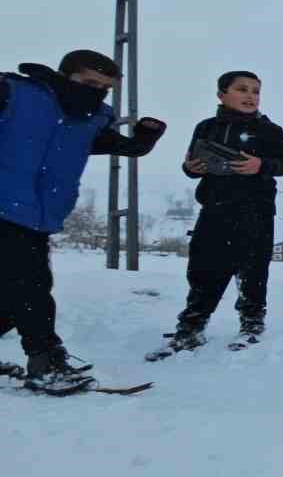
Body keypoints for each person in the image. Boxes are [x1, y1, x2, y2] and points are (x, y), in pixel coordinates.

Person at [0, 50, 166, 392]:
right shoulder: (15, 95)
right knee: (30, 288)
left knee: (13, 296)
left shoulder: (89, 121)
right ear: (64, 75)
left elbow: (123, 147)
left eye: (104, 88)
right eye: (89, 83)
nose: (96, 92)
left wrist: (143, 139)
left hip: (35, 217)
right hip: (4, 207)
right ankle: (46, 361)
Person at [147, 71, 283, 360]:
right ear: (221, 95)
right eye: (242, 89)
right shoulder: (206, 128)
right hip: (215, 209)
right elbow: (191, 163)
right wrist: (191, 168)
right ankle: (191, 329)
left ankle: (252, 325)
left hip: (256, 210)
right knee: (203, 270)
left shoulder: (269, 131)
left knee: (253, 270)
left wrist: (262, 164)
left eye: (256, 91)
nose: (250, 96)